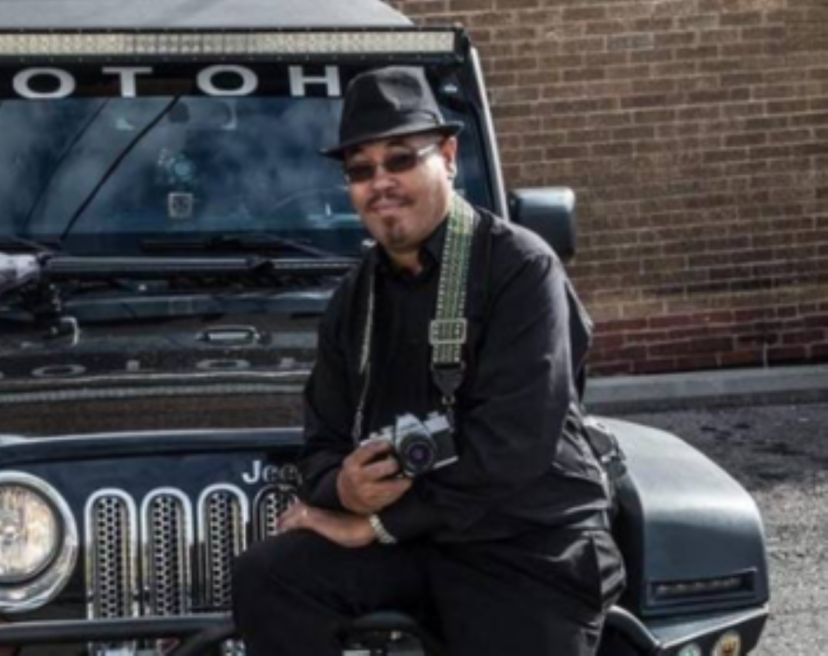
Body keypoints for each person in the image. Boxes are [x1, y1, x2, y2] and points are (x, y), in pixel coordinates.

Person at [231, 66, 625, 656]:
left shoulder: (520, 268)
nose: (380, 182)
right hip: (416, 544)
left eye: (400, 160)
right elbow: (322, 438)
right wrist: (343, 485)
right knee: (271, 575)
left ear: (448, 155)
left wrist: (377, 524)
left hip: (522, 543)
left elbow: (512, 448)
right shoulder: (353, 299)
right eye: (360, 170)